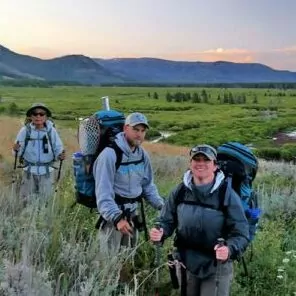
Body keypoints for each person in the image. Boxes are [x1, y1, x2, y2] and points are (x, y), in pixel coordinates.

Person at [150, 144, 249, 296]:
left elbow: (241, 233)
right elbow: (166, 220)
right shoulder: (180, 191)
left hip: (216, 266)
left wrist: (229, 249)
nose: (200, 163)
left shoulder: (227, 195)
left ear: (215, 166)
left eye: (206, 160)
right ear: (190, 163)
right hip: (185, 262)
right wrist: (161, 231)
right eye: (196, 159)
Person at [93, 112, 164, 254]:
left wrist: (162, 206)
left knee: (128, 260)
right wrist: (117, 219)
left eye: (143, 131)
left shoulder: (142, 155)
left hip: (133, 216)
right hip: (113, 220)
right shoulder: (109, 155)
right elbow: (103, 194)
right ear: (125, 129)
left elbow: (147, 186)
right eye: (135, 129)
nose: (139, 134)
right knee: (108, 265)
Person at [12, 103, 65, 202]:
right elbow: (16, 154)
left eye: (42, 114)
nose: (38, 116)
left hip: (47, 172)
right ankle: (27, 217)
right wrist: (16, 150)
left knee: (46, 201)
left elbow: (58, 148)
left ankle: (42, 217)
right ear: (30, 116)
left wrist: (60, 155)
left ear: (46, 117)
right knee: (26, 201)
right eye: (35, 114)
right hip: (29, 171)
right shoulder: (25, 131)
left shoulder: (51, 131)